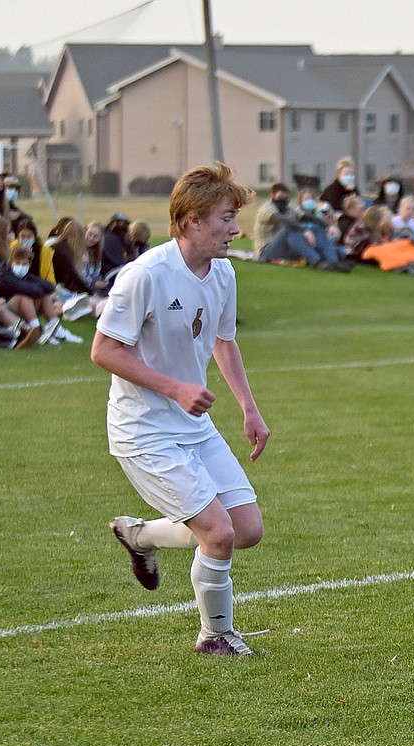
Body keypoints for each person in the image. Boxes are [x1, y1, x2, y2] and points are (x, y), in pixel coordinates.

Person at [90, 162, 269, 657]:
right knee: (218, 533)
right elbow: (104, 350)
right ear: (191, 221)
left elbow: (224, 342)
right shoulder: (145, 274)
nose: (236, 229)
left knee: (247, 529)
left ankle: (140, 535)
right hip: (143, 430)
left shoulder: (224, 272)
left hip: (192, 424)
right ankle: (215, 636)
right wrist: (174, 388)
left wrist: (249, 410)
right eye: (227, 217)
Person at [253, 183, 339, 269]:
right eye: (280, 198)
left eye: (285, 198)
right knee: (288, 229)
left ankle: (333, 261)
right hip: (266, 252)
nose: (283, 201)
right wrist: (304, 230)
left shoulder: (288, 207)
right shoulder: (266, 209)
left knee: (316, 228)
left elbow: (307, 217)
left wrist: (328, 225)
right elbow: (282, 219)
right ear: (272, 196)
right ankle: (316, 262)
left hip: (286, 250)